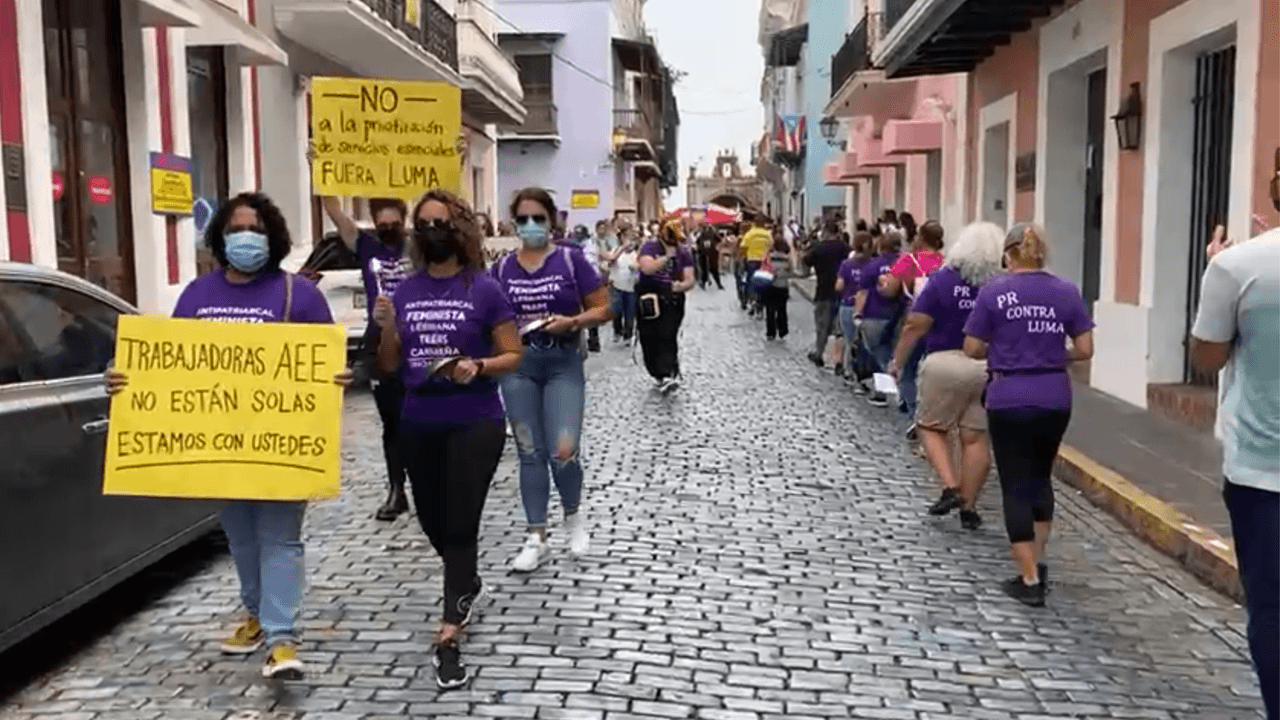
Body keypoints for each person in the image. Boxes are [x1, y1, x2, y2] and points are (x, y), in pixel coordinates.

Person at [107, 192, 353, 680]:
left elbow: (326, 363)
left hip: (282, 444)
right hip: (222, 448)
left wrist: (336, 377)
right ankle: (257, 616)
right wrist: (124, 376)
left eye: (257, 230)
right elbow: (170, 366)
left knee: (280, 540)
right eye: (237, 229)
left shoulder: (299, 295)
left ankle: (283, 638)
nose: (247, 238)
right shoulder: (198, 295)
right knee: (241, 541)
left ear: (274, 238)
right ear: (220, 237)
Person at [373, 189, 524, 688]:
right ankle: (467, 581)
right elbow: (391, 366)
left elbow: (513, 354)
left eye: (442, 222)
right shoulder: (406, 291)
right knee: (433, 519)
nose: (433, 230)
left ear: (461, 230)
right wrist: (389, 328)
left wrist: (477, 365)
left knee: (460, 523)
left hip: (473, 419)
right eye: (426, 223)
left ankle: (449, 633)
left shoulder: (484, 288)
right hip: (419, 418)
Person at [1188, 160, 1279, 720]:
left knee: (1272, 608)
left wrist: (1218, 272)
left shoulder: (1241, 266)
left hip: (1263, 470)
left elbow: (1207, 357)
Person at [962, 223, 1093, 608]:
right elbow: (1084, 349)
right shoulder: (1067, 291)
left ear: (1008, 254)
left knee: (1015, 483)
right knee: (1040, 477)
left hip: (1009, 395)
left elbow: (972, 347)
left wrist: (1009, 351)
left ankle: (1029, 577)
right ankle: (1038, 558)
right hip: (1054, 394)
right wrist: (1052, 355)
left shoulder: (994, 292)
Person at [493, 188, 612, 572]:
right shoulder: (500, 269)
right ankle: (535, 536)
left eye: (538, 218)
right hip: (519, 366)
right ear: (514, 224)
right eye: (523, 219)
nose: (531, 226)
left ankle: (574, 516)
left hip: (562, 361)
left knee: (563, 449)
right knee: (529, 451)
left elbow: (606, 307)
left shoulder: (570, 260)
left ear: (552, 221)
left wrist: (574, 322)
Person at [890, 222, 1004, 530]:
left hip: (945, 361)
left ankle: (950, 486)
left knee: (929, 424)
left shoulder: (942, 280)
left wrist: (898, 360)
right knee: (976, 437)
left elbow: (916, 323)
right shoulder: (1001, 285)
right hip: (987, 365)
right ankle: (970, 505)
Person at [321, 196, 414, 521]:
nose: (389, 230)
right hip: (379, 337)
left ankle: (430, 485)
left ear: (406, 220)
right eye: (383, 224)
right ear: (375, 223)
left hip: (420, 334)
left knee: (423, 416)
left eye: (395, 224)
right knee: (391, 421)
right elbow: (334, 211)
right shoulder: (366, 245)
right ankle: (396, 490)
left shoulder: (421, 245)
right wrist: (322, 170)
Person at [880, 220, 946, 434]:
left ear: (920, 237)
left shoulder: (909, 260)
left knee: (908, 370)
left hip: (914, 318)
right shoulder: (946, 263)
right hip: (942, 323)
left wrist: (883, 282)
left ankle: (914, 415)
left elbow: (890, 290)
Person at [636, 219, 696, 392]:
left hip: (672, 297)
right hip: (650, 296)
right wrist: (667, 257)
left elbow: (690, 278)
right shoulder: (650, 247)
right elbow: (647, 268)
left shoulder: (683, 252)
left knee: (668, 334)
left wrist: (681, 286)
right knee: (649, 336)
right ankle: (657, 372)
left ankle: (668, 372)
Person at [854, 231, 904, 407]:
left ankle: (883, 393)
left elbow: (863, 292)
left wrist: (857, 314)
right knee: (899, 355)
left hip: (875, 314)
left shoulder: (873, 266)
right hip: (901, 315)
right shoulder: (907, 264)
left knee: (879, 356)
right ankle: (904, 393)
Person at [803, 220, 851, 367]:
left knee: (822, 326)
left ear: (825, 232)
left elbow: (806, 261)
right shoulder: (845, 248)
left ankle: (819, 353)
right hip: (842, 291)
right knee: (840, 329)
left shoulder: (818, 248)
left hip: (823, 290)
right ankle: (840, 360)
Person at [835, 231, 874, 383]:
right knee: (866, 343)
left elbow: (839, 286)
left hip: (848, 305)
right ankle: (865, 374)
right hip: (868, 308)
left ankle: (849, 371)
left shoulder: (846, 264)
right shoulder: (873, 264)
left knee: (850, 340)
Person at [761, 234, 795, 340]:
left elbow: (764, 269)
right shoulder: (787, 259)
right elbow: (790, 272)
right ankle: (782, 330)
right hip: (782, 287)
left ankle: (771, 332)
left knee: (770, 310)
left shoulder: (769, 257)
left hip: (770, 286)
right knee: (782, 309)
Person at [610, 229, 640, 342]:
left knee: (630, 312)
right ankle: (617, 331)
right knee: (616, 310)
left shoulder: (635, 254)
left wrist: (636, 268)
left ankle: (628, 334)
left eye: (631, 238)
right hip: (617, 285)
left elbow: (640, 267)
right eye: (626, 237)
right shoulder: (616, 251)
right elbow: (611, 260)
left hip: (630, 286)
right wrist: (622, 248)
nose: (629, 240)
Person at [739, 220, 772, 315]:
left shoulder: (750, 234)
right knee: (763, 282)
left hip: (752, 260)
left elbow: (743, 246)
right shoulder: (767, 234)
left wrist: (745, 256)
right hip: (763, 262)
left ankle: (753, 301)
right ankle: (761, 303)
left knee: (751, 282)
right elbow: (771, 246)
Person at [696, 221, 723, 290]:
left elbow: (719, 240)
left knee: (714, 269)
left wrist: (717, 246)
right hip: (703, 252)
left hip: (712, 252)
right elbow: (697, 241)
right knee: (704, 269)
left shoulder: (713, 232)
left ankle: (718, 283)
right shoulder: (699, 233)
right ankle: (703, 283)